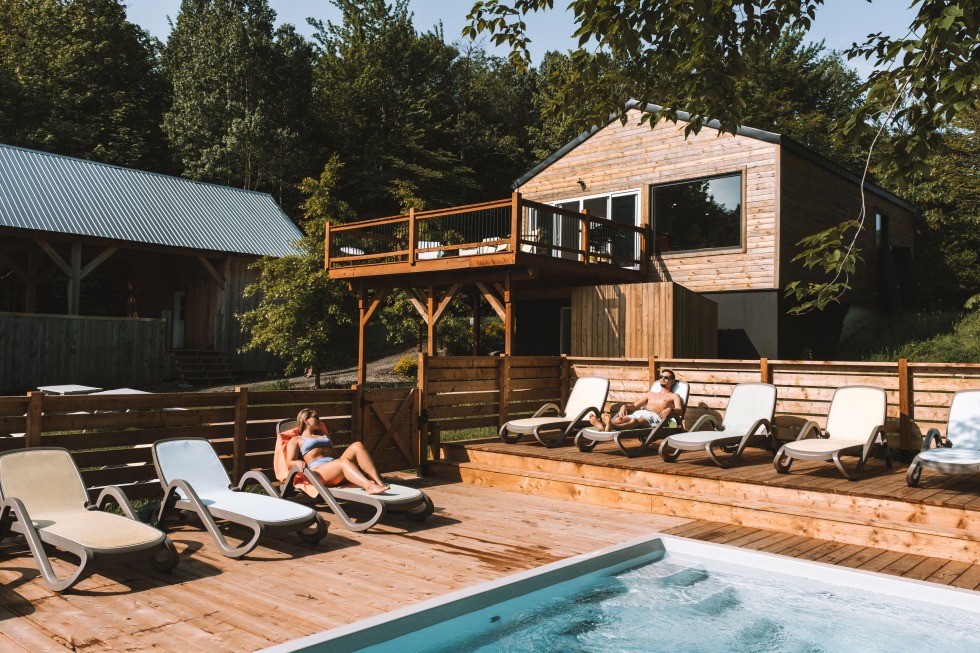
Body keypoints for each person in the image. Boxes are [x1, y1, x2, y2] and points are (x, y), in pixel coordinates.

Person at [284, 407, 390, 495]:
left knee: (357, 445)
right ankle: (369, 486)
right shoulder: (297, 439)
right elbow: (289, 463)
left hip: (335, 469)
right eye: (315, 417)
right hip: (319, 473)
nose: (319, 419)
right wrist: (297, 462)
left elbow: (335, 456)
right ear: (306, 420)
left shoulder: (323, 436)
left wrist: (345, 464)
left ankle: (378, 482)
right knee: (343, 462)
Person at [589, 369, 682, 431]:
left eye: (666, 377)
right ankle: (603, 425)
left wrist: (671, 409)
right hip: (641, 413)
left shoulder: (674, 396)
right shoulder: (650, 394)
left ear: (672, 381)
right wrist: (624, 406)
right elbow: (635, 406)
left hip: (655, 417)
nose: (662, 379)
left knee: (635, 421)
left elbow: (680, 411)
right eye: (661, 377)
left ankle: (610, 426)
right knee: (621, 418)